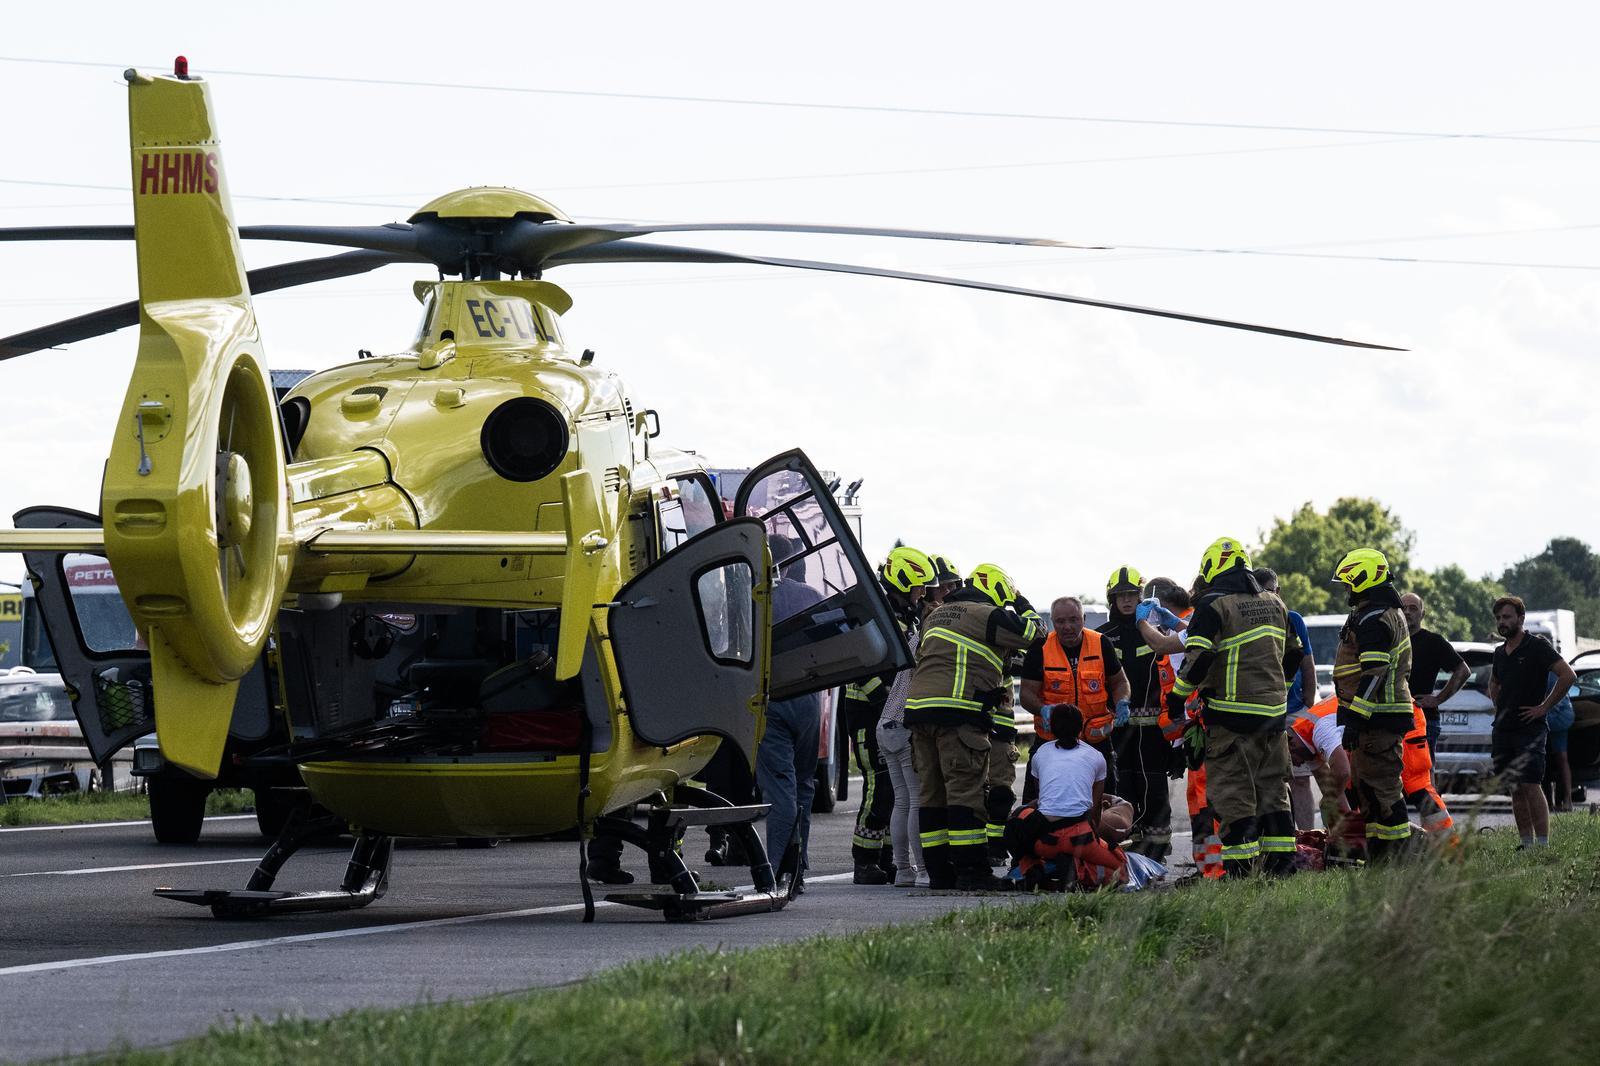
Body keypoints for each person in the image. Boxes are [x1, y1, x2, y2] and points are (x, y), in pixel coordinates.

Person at [1165, 537, 1302, 877]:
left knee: (1234, 794)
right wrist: (1278, 692)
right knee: (1273, 792)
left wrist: (1177, 697)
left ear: (1212, 569)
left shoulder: (1213, 605)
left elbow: (1199, 657)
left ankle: (1241, 874)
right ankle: (1281, 868)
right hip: (1273, 718)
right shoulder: (1274, 602)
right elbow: (1295, 653)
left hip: (1231, 718)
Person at [904, 562, 1041, 890]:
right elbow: (1035, 634)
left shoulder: (936, 615)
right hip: (958, 713)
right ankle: (972, 872)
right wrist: (1020, 603)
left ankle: (940, 873)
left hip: (920, 713)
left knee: (931, 794)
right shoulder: (987, 614)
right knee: (965, 792)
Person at [844, 545, 937, 885]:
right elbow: (860, 664)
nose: (922, 594)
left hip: (886, 713)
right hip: (867, 712)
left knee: (895, 792)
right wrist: (885, 700)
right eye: (918, 587)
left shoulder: (901, 616)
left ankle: (884, 857)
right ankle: (864, 859)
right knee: (878, 786)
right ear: (901, 581)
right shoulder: (875, 614)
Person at [1331, 547, 1416, 861]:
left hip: (1377, 718)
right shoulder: (1378, 612)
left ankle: (1395, 860)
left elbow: (1374, 673)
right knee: (1369, 791)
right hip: (1378, 717)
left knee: (1382, 792)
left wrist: (1356, 719)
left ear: (1361, 578)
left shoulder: (1374, 619)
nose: (1346, 589)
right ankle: (1382, 859)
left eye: (1348, 582)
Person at [756, 535, 826, 891]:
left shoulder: (754, 598)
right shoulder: (812, 596)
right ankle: (799, 867)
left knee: (779, 788)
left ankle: (777, 869)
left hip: (772, 700)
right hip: (810, 702)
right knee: (804, 785)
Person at [1004, 704, 1129, 890]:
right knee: (1122, 871)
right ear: (1081, 728)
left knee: (1020, 817)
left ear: (1051, 728)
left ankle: (1032, 867)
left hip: (1045, 841)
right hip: (1081, 838)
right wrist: (1093, 840)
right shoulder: (1096, 757)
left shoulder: (1040, 754)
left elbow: (1041, 800)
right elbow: (1095, 810)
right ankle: (1077, 871)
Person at [1019, 596, 1130, 804]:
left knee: (1106, 802)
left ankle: (1101, 835)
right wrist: (1042, 709)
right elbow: (1026, 694)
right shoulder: (1040, 648)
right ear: (1052, 622)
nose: (1067, 627)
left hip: (1096, 739)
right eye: (1060, 621)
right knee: (1036, 801)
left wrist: (1122, 701)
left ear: (1084, 619)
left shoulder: (1100, 643)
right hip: (1053, 740)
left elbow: (1119, 682)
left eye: (1074, 619)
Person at [1488, 595, 1576, 848]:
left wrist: (1543, 708)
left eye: (1506, 617)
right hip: (1504, 729)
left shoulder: (1536, 646)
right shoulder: (1499, 652)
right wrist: (1498, 704)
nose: (1502, 622)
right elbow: (1494, 682)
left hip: (1530, 728)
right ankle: (1526, 845)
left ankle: (1543, 845)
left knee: (1530, 783)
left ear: (1520, 618)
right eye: (1498, 618)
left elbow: (1567, 675)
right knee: (1514, 787)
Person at [1098, 565, 1174, 860]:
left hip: (1154, 729)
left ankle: (1156, 849)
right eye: (1121, 596)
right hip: (1117, 726)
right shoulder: (1102, 636)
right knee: (1121, 787)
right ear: (1112, 600)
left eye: (1132, 594)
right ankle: (1122, 847)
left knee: (1154, 788)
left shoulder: (1156, 632)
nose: (1127, 600)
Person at [1400, 592, 1470, 760]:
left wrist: (1438, 699)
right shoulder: (1390, 642)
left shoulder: (1433, 641)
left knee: (1423, 777)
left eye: (1413, 608)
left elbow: (1463, 670)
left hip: (1423, 720)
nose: (1408, 612)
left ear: (1422, 614)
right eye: (1404, 608)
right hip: (1393, 722)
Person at [1255, 568, 1317, 713]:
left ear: (1278, 591)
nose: (1265, 598)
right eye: (1258, 593)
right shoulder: (1245, 622)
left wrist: (1308, 703)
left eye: (1269, 592)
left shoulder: (1294, 619)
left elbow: (1307, 664)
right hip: (1262, 710)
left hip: (1294, 709)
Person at [1545, 670, 1576, 812]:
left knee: (1554, 760)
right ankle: (1561, 801)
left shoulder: (1548, 668)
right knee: (1559, 759)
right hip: (1555, 716)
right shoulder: (1556, 667)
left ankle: (1560, 801)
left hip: (1552, 717)